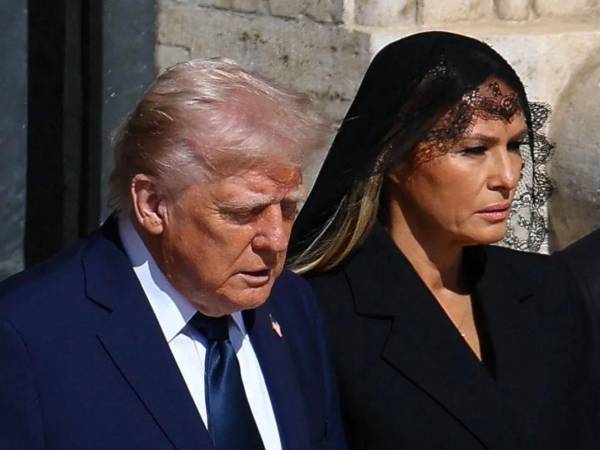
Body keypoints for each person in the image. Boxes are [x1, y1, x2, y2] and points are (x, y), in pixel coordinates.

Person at [0, 59, 346, 450]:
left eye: (287, 208)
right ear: (152, 204)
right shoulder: (28, 336)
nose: (277, 239)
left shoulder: (292, 306)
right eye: (243, 213)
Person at [289, 31, 597, 450]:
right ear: (394, 156)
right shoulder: (318, 314)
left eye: (514, 146)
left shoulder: (547, 290)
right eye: (474, 149)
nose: (507, 177)